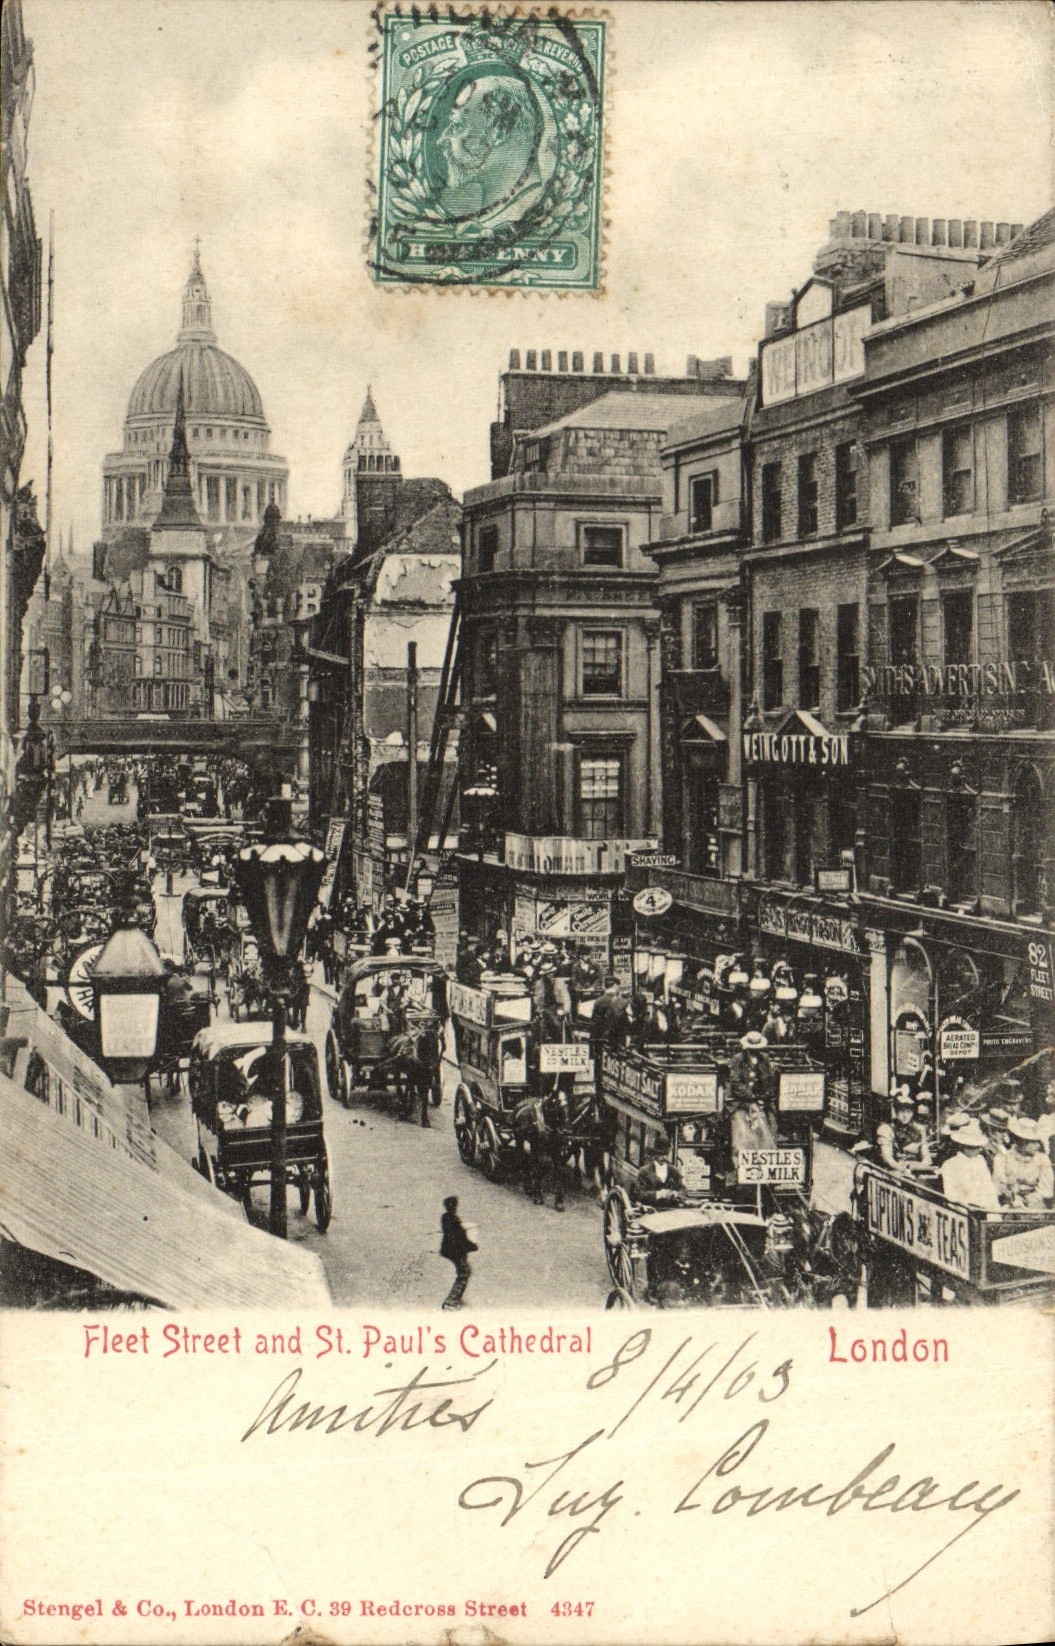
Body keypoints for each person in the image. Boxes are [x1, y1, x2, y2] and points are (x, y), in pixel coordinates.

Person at [992, 1116, 1055, 1208]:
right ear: (1022, 1142)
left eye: (1038, 1142)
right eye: (1033, 1142)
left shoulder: (1042, 1159)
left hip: (1035, 1201)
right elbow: (997, 1183)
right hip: (1009, 1200)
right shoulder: (1003, 1158)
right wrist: (1009, 1193)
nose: (1037, 1145)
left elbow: (1046, 1188)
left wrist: (1034, 1198)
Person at [939, 1119, 1000, 1210]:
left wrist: (996, 1208)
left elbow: (989, 1188)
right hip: (964, 1209)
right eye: (973, 1147)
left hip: (985, 1207)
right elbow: (951, 1194)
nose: (978, 1150)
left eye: (978, 1147)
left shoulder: (980, 1161)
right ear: (962, 1146)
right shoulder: (950, 1164)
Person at [876, 1088, 932, 1175]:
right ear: (896, 1111)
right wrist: (901, 1169)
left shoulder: (919, 1129)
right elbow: (887, 1158)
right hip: (894, 1171)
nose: (905, 1116)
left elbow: (927, 1156)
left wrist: (921, 1166)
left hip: (915, 1169)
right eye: (902, 1111)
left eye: (909, 1112)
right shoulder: (886, 1129)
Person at [439, 1195, 477, 1310]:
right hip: (456, 1251)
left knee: (464, 1272)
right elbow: (460, 1238)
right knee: (464, 1273)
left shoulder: (446, 1217)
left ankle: (456, 1298)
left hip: (449, 1249)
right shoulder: (454, 1221)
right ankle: (451, 1300)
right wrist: (471, 1246)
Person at [634, 1134, 684, 1207]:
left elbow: (683, 1189)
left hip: (672, 1211)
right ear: (655, 1154)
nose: (663, 1157)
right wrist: (658, 1194)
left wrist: (677, 1193)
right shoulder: (644, 1171)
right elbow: (639, 1194)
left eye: (666, 1154)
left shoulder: (674, 1171)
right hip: (651, 1211)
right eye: (660, 1154)